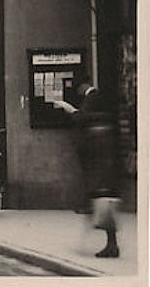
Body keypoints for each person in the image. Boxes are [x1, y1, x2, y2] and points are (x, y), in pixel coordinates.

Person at [55, 81, 120, 258]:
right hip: (102, 172)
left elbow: (82, 119)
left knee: (100, 205)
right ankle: (106, 244)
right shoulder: (103, 129)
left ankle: (106, 245)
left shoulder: (93, 102)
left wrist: (71, 110)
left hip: (99, 173)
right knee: (97, 206)